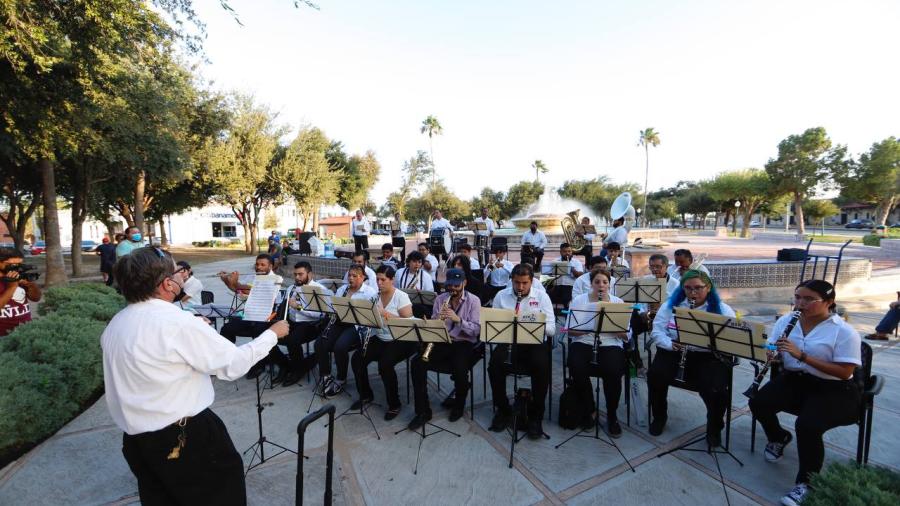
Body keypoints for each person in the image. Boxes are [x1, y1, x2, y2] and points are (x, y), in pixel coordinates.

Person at [101, 246, 289, 505]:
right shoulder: (177, 323)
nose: (181, 277)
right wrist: (272, 334)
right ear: (167, 284)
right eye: (177, 273)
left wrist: (194, 332)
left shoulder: (116, 323)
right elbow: (233, 365)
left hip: (137, 441)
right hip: (184, 437)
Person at [749, 280, 862, 506]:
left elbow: (844, 372)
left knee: (808, 425)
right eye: (797, 297)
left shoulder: (844, 332)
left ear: (829, 303)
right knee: (759, 402)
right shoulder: (786, 321)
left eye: (809, 299)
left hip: (834, 389)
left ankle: (807, 483)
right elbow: (772, 347)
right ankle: (778, 437)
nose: (800, 303)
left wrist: (802, 356)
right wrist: (772, 355)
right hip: (796, 380)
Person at [647, 270, 736, 447]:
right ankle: (659, 416)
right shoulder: (671, 305)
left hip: (707, 356)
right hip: (674, 350)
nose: (693, 293)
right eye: (687, 288)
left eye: (698, 288)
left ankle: (714, 427)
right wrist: (669, 343)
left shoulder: (723, 310)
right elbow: (657, 331)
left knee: (716, 389)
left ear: (708, 287)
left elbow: (732, 339)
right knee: (655, 375)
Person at [487, 263, 556, 439]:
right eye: (517, 282)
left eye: (524, 283)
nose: (520, 287)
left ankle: (536, 416)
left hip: (534, 342)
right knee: (494, 365)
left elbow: (552, 329)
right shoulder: (501, 296)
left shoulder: (542, 297)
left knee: (542, 367)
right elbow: (494, 325)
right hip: (509, 341)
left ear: (531, 281)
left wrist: (530, 323)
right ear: (512, 280)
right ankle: (502, 409)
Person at [408, 268, 481, 429]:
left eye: (456, 286)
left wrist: (458, 320)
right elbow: (435, 323)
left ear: (464, 283)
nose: (453, 289)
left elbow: (476, 330)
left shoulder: (474, 301)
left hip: (464, 342)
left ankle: (459, 405)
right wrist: (431, 324)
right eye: (450, 286)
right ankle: (423, 411)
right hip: (442, 340)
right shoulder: (441, 299)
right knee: (417, 363)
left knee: (460, 370)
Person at [565, 269, 628, 436]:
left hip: (609, 343)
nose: (601, 285)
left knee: (614, 371)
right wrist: (587, 327)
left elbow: (627, 336)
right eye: (597, 282)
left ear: (609, 284)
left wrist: (615, 328)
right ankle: (589, 408)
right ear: (591, 284)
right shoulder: (579, 300)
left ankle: (612, 415)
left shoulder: (618, 302)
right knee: (575, 366)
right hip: (584, 341)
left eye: (605, 282)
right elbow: (570, 331)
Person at [350, 265, 417, 420]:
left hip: (401, 339)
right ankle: (366, 395)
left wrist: (384, 313)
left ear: (392, 280)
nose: (379, 283)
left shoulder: (401, 296)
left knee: (385, 364)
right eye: (377, 279)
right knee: (357, 359)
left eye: (383, 279)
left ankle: (394, 404)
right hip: (381, 337)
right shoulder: (375, 297)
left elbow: (409, 323)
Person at [218, 255, 289, 382]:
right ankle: (228, 360)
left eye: (263, 265)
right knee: (226, 328)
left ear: (270, 266)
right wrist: (227, 281)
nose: (259, 267)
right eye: (257, 264)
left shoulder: (276, 279)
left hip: (269, 317)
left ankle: (277, 363)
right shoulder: (253, 276)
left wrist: (235, 283)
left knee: (260, 332)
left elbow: (248, 288)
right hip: (251, 314)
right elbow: (237, 289)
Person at [316, 264, 378, 397]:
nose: (351, 278)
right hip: (340, 322)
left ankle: (341, 378)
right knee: (320, 343)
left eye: (354, 276)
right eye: (349, 275)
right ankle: (325, 375)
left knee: (340, 347)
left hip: (356, 326)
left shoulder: (369, 292)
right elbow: (334, 309)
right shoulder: (343, 289)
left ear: (362, 278)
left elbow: (370, 316)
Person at [277, 261, 332, 387]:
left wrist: (299, 307)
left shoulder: (319, 290)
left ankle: (297, 370)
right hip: (292, 322)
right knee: (269, 335)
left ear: (310, 274)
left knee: (292, 340)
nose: (297, 277)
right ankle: (285, 365)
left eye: (300, 274)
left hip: (311, 324)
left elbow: (321, 314)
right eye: (295, 274)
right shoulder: (292, 288)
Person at [0, 248, 42, 337]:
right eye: (12, 265)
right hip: (3, 336)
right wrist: (12, 287)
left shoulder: (18, 274)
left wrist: (30, 285)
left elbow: (36, 298)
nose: (17, 267)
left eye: (19, 264)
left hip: (25, 332)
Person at [395, 251, 435, 317]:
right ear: (408, 262)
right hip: (401, 304)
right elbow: (395, 289)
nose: (417, 264)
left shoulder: (426, 276)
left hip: (418, 306)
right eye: (414, 261)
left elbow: (430, 296)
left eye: (419, 262)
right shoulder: (399, 272)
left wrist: (421, 293)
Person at [545, 242, 584, 309]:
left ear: (572, 252)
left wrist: (571, 268)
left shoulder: (576, 262)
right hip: (557, 286)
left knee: (566, 297)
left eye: (569, 251)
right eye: (565, 251)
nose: (567, 253)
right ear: (560, 252)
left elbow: (580, 275)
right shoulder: (555, 261)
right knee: (547, 296)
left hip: (570, 286)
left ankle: (567, 312)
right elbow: (548, 275)